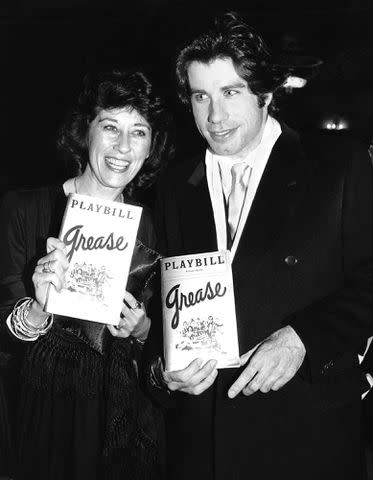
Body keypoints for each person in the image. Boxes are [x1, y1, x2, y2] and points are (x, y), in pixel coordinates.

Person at [151, 12, 373, 480]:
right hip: (202, 444)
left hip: (306, 436)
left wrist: (303, 339)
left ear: (266, 94)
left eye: (231, 92)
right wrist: (162, 369)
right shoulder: (173, 185)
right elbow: (162, 304)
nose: (215, 116)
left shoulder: (339, 165)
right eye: (200, 96)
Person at [0, 68, 171, 479]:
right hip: (46, 416)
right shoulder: (24, 210)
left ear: (151, 147)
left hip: (123, 419)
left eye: (139, 132)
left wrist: (142, 328)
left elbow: (161, 338)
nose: (123, 147)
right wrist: (39, 308)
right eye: (110, 126)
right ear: (85, 131)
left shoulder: (153, 226)